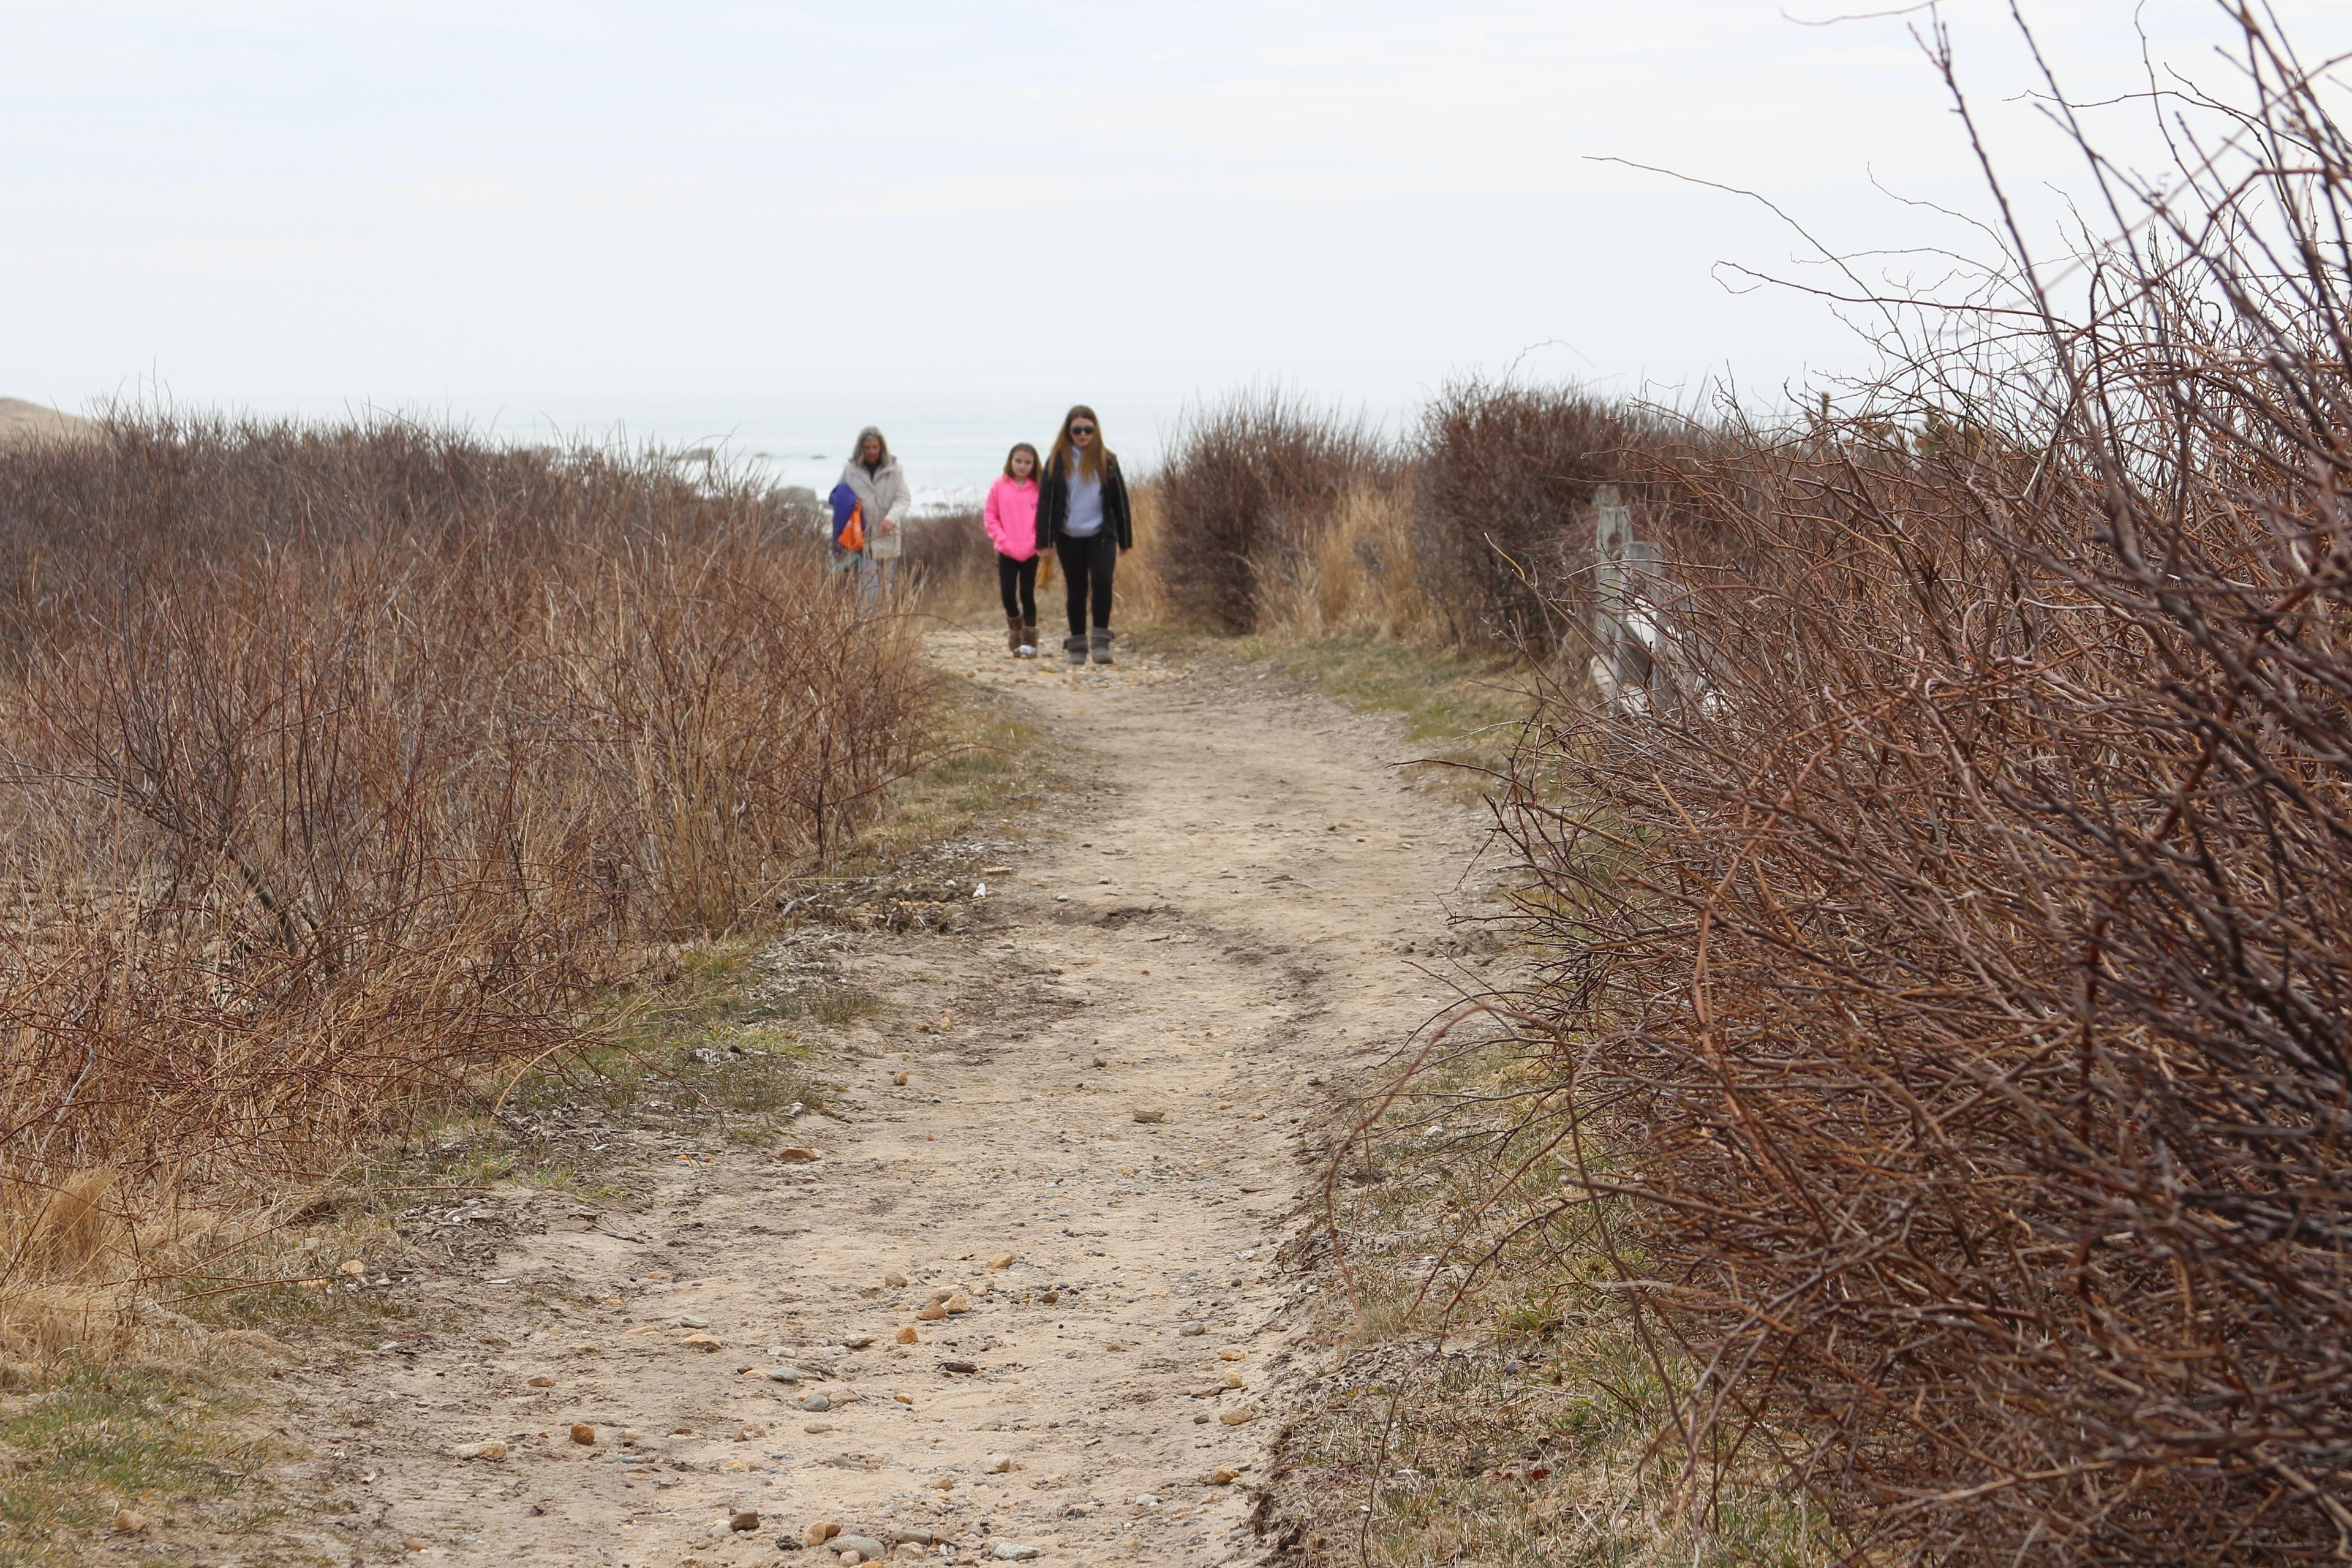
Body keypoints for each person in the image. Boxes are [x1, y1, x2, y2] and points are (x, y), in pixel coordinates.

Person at [1034, 405, 1131, 666]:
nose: (1083, 435)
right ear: (1069, 431)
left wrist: (1125, 537)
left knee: (1102, 582)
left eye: (1088, 430)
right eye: (1077, 430)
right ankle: (1077, 645)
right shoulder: (1056, 461)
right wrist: (1044, 541)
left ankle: (1101, 643)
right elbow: (1046, 502)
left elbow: (1120, 500)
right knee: (1076, 589)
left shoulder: (1107, 460)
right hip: (1068, 536)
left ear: (1095, 430)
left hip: (1101, 535)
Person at [838, 427, 910, 611]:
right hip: (863, 539)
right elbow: (837, 496)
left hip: (888, 538)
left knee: (886, 590)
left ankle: (882, 635)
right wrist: (849, 503)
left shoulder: (895, 469)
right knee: (869, 590)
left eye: (875, 447)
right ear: (861, 448)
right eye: (867, 447)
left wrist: (891, 518)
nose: (871, 451)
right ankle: (867, 632)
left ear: (882, 447)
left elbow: (903, 498)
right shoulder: (850, 469)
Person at [984, 442, 1044, 658]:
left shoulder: (1039, 487)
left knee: (1027, 593)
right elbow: (990, 517)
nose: (1022, 466)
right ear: (1010, 461)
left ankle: (1029, 641)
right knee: (1008, 593)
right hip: (1007, 550)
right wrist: (1004, 540)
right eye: (1018, 461)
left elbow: (1044, 520)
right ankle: (1015, 629)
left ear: (1034, 464)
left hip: (1031, 551)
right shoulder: (999, 486)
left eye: (1028, 462)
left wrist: (1034, 542)